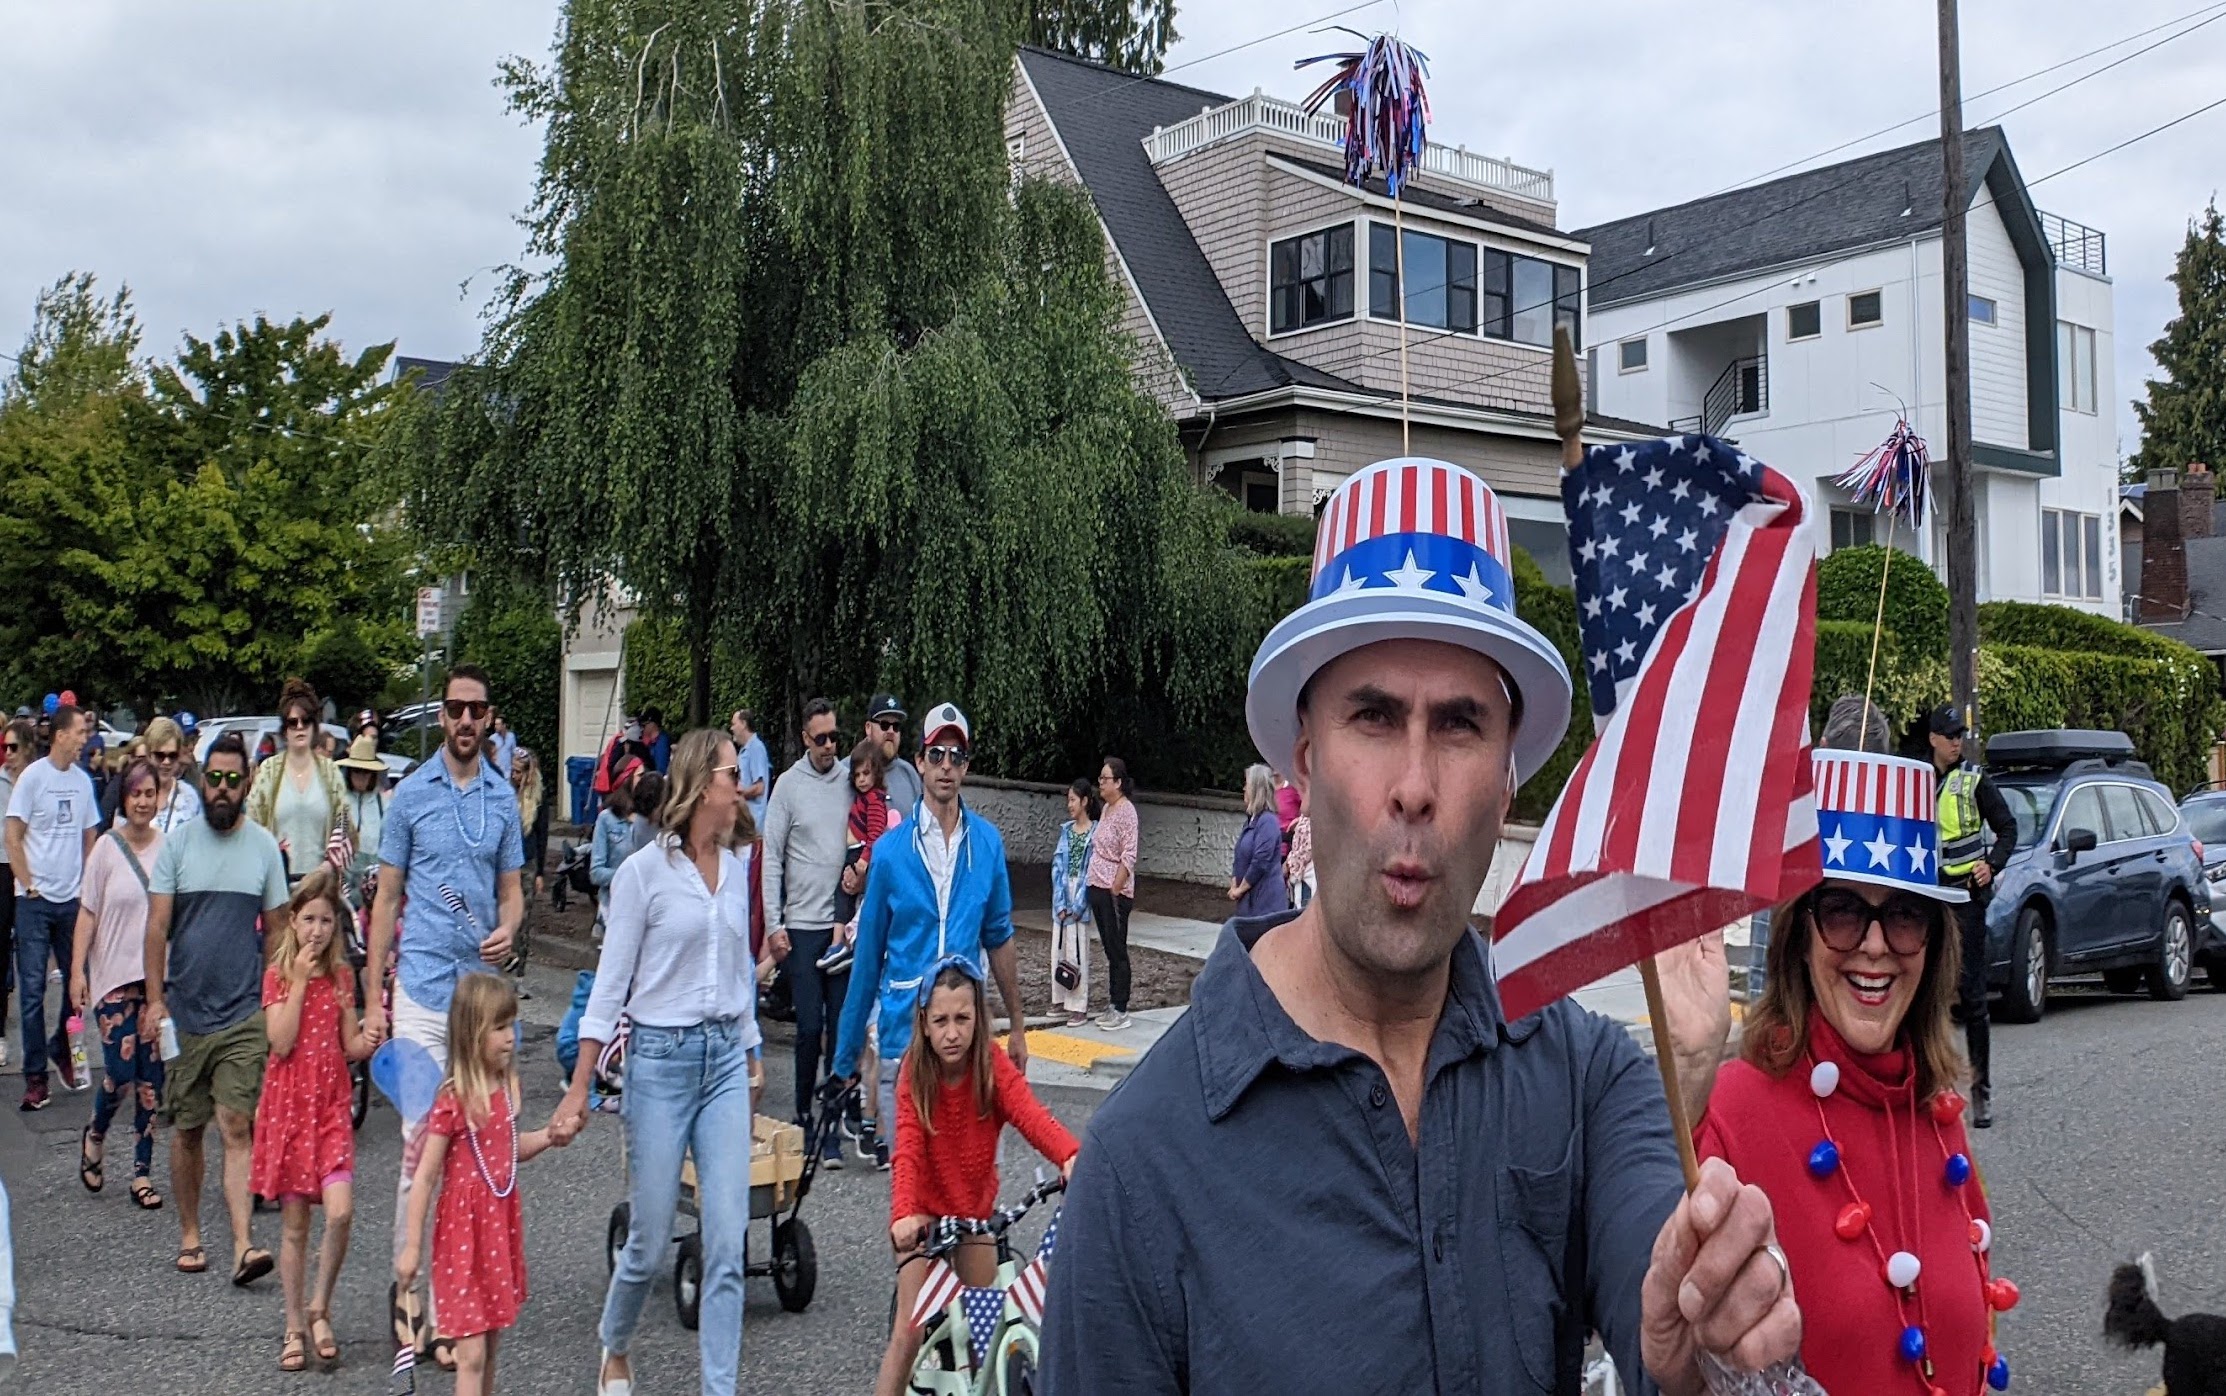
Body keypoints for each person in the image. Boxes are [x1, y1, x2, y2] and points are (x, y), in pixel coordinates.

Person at [1039, 460, 1800, 1393]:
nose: (1413, 785)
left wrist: (1701, 1338)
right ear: (1305, 759)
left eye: (1458, 725)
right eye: (1372, 716)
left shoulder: (1585, 1079)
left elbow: (1661, 1302)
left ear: (1510, 775)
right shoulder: (1138, 1166)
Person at [1696, 747, 2007, 1393]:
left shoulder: (1936, 1109)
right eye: (1841, 910)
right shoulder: (1727, 1118)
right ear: (1799, 934)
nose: (1873, 946)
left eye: (1902, 914)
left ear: (1933, 941)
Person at [554, 729, 766, 1396]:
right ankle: (615, 1346)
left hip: (724, 1063)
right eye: (735, 774)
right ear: (706, 785)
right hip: (659, 1063)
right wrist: (577, 1088)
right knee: (646, 1246)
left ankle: (719, 1388)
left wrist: (753, 1051)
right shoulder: (644, 874)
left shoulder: (737, 870)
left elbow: (738, 974)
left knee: (728, 1245)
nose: (744, 784)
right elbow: (609, 989)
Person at [362, 665, 527, 1342]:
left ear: (489, 718)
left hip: (478, 1003)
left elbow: (513, 891)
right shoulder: (409, 796)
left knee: (477, 1149)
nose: (465, 721)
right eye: (455, 709)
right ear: (442, 717)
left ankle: (452, 1295)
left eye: (476, 710)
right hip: (423, 991)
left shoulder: (503, 799)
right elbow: (386, 899)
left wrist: (510, 926)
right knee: (421, 1144)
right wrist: (374, 996)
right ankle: (411, 1294)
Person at [828, 702, 1029, 1172]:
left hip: (969, 1041)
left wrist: (1017, 1027)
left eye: (955, 757)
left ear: (966, 767)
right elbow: (869, 955)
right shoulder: (892, 852)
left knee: (973, 1193)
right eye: (936, 755)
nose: (945, 766)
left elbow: (999, 937)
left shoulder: (987, 843)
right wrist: (844, 1057)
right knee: (915, 1203)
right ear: (919, 762)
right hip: (907, 1041)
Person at [876, 959, 1078, 1396]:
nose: (952, 1033)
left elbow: (1030, 1115)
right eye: (941, 1021)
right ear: (924, 1024)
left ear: (979, 1019)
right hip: (925, 1216)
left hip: (973, 1214)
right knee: (908, 1331)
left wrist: (1071, 1156)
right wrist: (904, 1216)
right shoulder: (915, 1072)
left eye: (963, 1019)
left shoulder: (990, 1065)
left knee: (990, 1326)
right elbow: (907, 1152)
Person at [144, 731, 292, 1284]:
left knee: (235, 1124)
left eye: (233, 779)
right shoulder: (177, 845)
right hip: (184, 1015)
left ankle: (243, 1246)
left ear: (248, 782)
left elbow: (278, 932)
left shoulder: (262, 848)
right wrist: (155, 1000)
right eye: (215, 778)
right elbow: (157, 928)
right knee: (186, 1129)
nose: (222, 789)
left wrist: (273, 1001)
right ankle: (189, 1233)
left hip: (242, 1015)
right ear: (201, 780)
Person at [395, 974, 564, 1396]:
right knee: (469, 1356)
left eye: (513, 1026)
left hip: (498, 1231)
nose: (511, 1038)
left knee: (490, 1346)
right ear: (473, 1033)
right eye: (501, 1027)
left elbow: (507, 1151)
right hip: (463, 1240)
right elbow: (426, 1176)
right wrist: (411, 1246)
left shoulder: (507, 1089)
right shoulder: (453, 1098)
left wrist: (548, 1136)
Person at [252, 868, 373, 1373]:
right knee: (296, 1226)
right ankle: (294, 1324)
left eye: (326, 921)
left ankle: (321, 1305)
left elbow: (348, 1045)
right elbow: (280, 1041)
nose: (318, 930)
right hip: (289, 1111)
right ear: (292, 923)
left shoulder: (344, 978)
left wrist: (370, 1040)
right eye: (308, 920)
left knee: (340, 1211)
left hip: (329, 1109)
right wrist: (299, 981)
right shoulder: (278, 977)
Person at [68, 755, 167, 1209]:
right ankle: (97, 1132)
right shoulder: (107, 848)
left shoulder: (168, 848)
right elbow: (87, 912)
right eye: (136, 793)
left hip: (151, 981)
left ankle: (142, 1174)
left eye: (150, 793)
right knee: (122, 1072)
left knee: (152, 1079)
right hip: (110, 978)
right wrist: (76, 972)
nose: (143, 801)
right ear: (124, 798)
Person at [764, 699, 856, 1143]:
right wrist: (772, 923)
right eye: (820, 739)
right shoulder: (787, 786)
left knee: (840, 1023)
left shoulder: (848, 780)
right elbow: (771, 859)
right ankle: (802, 1107)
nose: (829, 746)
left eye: (834, 737)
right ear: (805, 738)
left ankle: (833, 1111)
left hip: (839, 926)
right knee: (809, 1026)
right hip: (800, 924)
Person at [1926, 704, 2016, 1130]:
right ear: (1933, 740)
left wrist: (1992, 864)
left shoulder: (1975, 779)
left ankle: (1981, 1092)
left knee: (1974, 1000)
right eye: (1949, 735)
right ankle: (1934, 1083)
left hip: (1965, 900)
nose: (1956, 741)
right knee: (1930, 996)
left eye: (1959, 734)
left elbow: (2008, 828)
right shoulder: (1917, 781)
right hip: (1930, 900)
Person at [8, 702, 100, 1107]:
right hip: (35, 900)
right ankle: (34, 1077)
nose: (85, 739)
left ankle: (61, 1047)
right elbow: (13, 835)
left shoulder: (82, 782)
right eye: (80, 732)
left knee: (77, 987)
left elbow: (90, 833)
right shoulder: (32, 779)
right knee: (31, 990)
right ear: (61, 735)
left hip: (71, 900)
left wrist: (86, 883)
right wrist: (28, 885)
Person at [246, 678, 352, 885]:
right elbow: (252, 824)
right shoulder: (269, 771)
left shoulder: (330, 772)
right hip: (278, 887)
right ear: (284, 729)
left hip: (322, 886)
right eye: (292, 722)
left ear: (315, 725)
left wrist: (330, 865)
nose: (300, 727)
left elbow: (345, 822)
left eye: (306, 720)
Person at [1085, 756, 1138, 1032]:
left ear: (1118, 782)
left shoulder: (1127, 811)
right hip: (1097, 887)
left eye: (1105, 779)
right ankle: (1111, 1003)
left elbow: (1128, 854)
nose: (1101, 784)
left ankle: (1121, 1006)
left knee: (1118, 949)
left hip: (1113, 892)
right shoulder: (1107, 809)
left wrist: (1115, 888)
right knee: (1108, 947)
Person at [0, 717, 35, 1067]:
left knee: (30, 962)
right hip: (0, 869)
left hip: (29, 872)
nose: (7, 754)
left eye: (13, 747)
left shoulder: (38, 780)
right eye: (3, 748)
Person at [1049, 778, 1097, 1026]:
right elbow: (1057, 867)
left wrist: (1078, 906)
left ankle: (1078, 1006)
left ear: (1085, 802)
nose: (1069, 805)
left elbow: (1091, 871)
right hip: (1063, 896)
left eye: (1073, 800)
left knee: (1077, 951)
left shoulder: (1094, 833)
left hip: (1080, 895)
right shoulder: (1066, 832)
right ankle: (1059, 999)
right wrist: (1060, 903)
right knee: (1058, 949)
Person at [1229, 764, 1291, 921]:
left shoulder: (1268, 821)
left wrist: (1240, 889)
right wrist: (1234, 884)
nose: (1243, 789)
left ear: (1257, 789)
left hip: (1265, 903)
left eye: (1247, 785)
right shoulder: (1251, 820)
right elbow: (1239, 856)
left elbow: (1260, 861)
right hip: (1249, 902)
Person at [510, 747, 551, 978]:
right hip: (506, 863)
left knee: (523, 918)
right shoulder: (504, 793)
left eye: (518, 772)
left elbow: (542, 834)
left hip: (527, 861)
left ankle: (519, 971)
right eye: (512, 771)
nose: (514, 776)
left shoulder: (538, 797)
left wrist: (540, 872)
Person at [141, 715, 203, 834]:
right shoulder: (132, 792)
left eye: (172, 755)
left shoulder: (190, 796)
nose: (166, 762)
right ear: (148, 755)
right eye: (160, 756)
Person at [865, 695, 923, 819]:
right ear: (868, 728)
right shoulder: (848, 771)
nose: (891, 731)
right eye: (884, 725)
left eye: (896, 726)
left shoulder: (910, 774)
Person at [728, 708, 772, 831]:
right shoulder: (745, 750)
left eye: (733, 724)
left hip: (754, 824)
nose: (731, 728)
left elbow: (759, 788)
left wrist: (737, 794)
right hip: (745, 823)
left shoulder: (756, 748)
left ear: (743, 724)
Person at [1283, 811, 1314, 910]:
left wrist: (1288, 864)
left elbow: (1307, 850)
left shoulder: (1313, 819)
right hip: (1301, 881)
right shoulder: (1305, 817)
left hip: (1307, 881)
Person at [485, 710, 516, 781]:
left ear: (504, 725)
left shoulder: (511, 736)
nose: (496, 726)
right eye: (495, 724)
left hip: (509, 774)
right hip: (497, 773)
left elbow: (513, 753)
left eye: (498, 724)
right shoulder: (492, 738)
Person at [639, 707, 670, 775]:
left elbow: (661, 771)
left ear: (653, 724)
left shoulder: (662, 742)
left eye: (645, 724)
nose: (642, 727)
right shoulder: (652, 742)